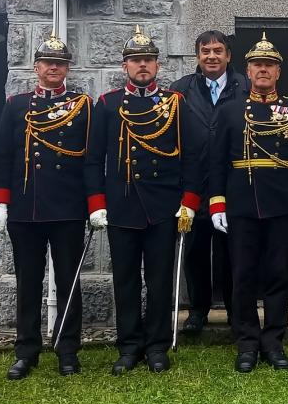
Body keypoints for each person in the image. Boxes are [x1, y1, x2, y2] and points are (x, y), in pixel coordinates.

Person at [84, 25, 201, 374]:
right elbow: (93, 159)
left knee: (161, 279)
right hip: (122, 205)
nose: (143, 66)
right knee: (125, 279)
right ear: (125, 66)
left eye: (148, 59)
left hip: (163, 207)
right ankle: (129, 345)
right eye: (136, 60)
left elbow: (193, 156)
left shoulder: (175, 102)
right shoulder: (107, 104)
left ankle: (157, 346)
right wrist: (96, 203)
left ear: (158, 66)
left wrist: (189, 201)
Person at [208, 33, 288, 373]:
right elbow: (215, 163)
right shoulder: (229, 112)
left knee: (277, 275)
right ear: (248, 69)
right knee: (242, 276)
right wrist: (216, 204)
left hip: (282, 203)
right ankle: (247, 343)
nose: (263, 70)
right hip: (241, 203)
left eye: (269, 65)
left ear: (278, 71)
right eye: (257, 64)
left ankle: (273, 342)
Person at [0, 34, 93, 379]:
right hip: (25, 208)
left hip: (67, 208)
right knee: (29, 282)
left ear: (67, 69)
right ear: (36, 67)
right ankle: (26, 350)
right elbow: (2, 157)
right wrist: (1, 202)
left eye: (60, 63)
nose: (54, 67)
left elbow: (91, 159)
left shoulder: (82, 105)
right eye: (48, 62)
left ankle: (68, 350)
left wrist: (94, 204)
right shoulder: (16, 105)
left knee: (68, 281)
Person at [170, 30, 247, 332]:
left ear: (229, 55)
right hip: (194, 184)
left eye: (217, 51)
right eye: (205, 51)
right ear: (197, 56)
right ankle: (198, 310)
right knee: (195, 252)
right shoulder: (180, 90)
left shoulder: (246, 87)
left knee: (233, 253)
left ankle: (235, 310)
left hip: (233, 184)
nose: (211, 56)